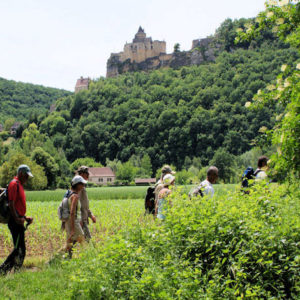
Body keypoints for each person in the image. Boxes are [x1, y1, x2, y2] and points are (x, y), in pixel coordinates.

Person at [0, 165, 33, 275]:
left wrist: (24, 217)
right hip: (15, 222)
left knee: (20, 249)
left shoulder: (19, 185)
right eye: (26, 176)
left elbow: (18, 207)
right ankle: (3, 271)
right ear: (21, 174)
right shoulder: (14, 184)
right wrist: (17, 219)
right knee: (19, 249)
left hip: (18, 220)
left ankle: (14, 272)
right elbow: (11, 204)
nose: (27, 178)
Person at [65, 175, 87, 257]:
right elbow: (72, 212)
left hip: (70, 222)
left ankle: (64, 258)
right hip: (73, 222)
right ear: (77, 185)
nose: (83, 186)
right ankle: (88, 258)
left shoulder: (69, 195)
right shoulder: (75, 196)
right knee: (82, 240)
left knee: (70, 242)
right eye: (82, 184)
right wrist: (73, 229)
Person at [77, 166, 96, 242]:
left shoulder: (82, 186)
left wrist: (90, 215)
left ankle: (64, 252)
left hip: (83, 217)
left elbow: (84, 205)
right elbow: (75, 204)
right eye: (86, 173)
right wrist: (79, 220)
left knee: (74, 241)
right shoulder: (78, 186)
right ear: (81, 174)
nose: (88, 175)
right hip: (80, 218)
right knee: (88, 240)